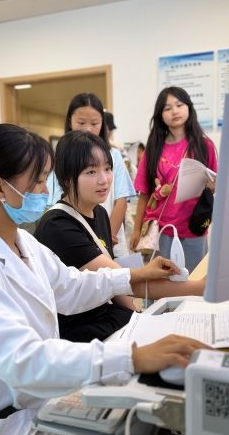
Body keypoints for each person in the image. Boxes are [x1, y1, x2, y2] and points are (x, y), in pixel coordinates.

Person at [0, 123, 210, 435]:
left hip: (37, 399)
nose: (43, 191)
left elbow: (72, 287)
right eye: (36, 181)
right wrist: (131, 357)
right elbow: (22, 360)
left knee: (144, 418)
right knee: (142, 429)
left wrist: (134, 275)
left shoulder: (22, 241)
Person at [34, 130, 206, 342]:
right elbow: (128, 282)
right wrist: (200, 288)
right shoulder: (58, 226)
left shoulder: (99, 213)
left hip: (105, 315)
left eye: (107, 169)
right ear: (67, 178)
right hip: (80, 330)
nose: (104, 180)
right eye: (91, 172)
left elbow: (115, 285)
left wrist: (137, 317)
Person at [130, 86, 218, 273]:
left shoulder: (205, 145)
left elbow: (215, 185)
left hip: (194, 227)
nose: (175, 111)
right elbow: (144, 193)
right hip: (159, 230)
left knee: (193, 279)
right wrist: (136, 230)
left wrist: (214, 185)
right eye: (167, 108)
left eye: (179, 105)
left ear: (189, 108)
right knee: (161, 281)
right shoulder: (153, 148)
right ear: (160, 115)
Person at [47, 93, 136, 257]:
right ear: (70, 121)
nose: (88, 129)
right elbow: (56, 201)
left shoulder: (114, 155)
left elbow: (121, 200)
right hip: (76, 233)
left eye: (94, 123)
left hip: (108, 235)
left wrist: (106, 235)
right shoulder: (62, 158)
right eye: (81, 123)